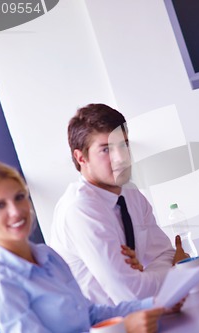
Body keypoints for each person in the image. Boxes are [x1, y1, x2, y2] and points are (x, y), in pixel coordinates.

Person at [0, 161, 166, 333]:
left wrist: (157, 304)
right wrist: (125, 328)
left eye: (19, 197)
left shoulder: (48, 256)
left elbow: (90, 314)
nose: (15, 211)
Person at [50, 104, 188, 306]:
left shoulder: (129, 193)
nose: (121, 157)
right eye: (106, 149)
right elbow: (132, 294)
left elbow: (164, 253)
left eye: (123, 145)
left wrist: (144, 275)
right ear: (81, 158)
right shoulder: (80, 209)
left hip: (146, 317)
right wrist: (171, 273)